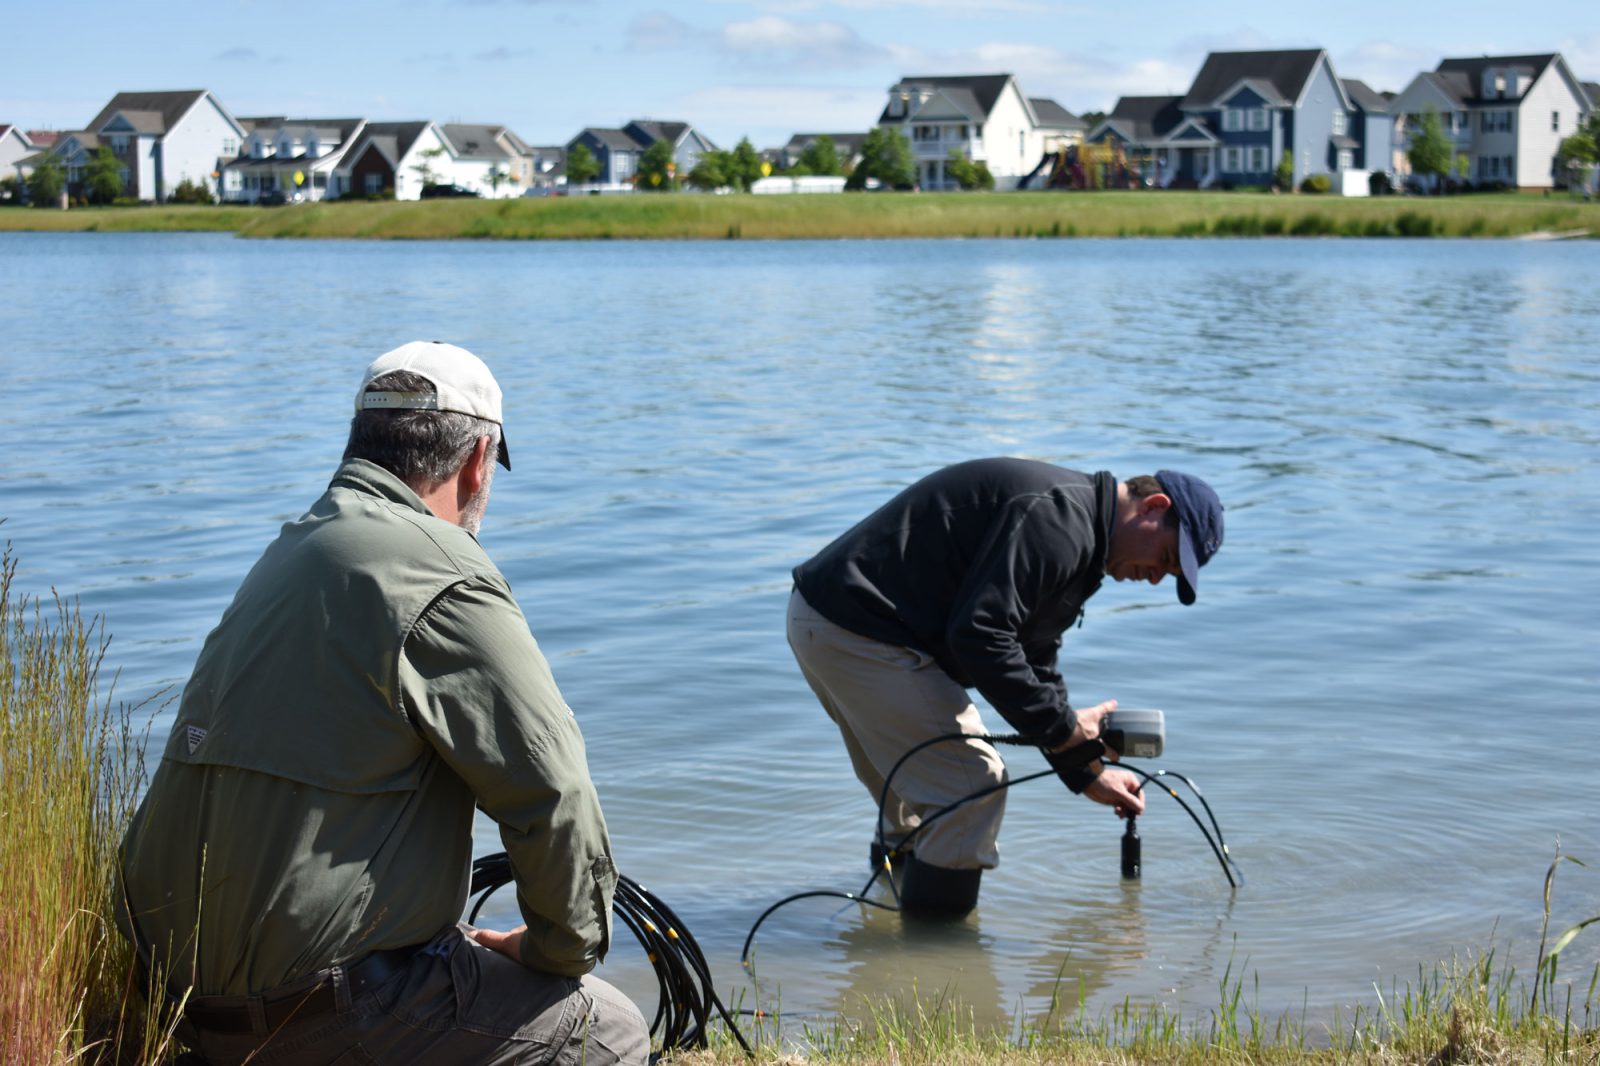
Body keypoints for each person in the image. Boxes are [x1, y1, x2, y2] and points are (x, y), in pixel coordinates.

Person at [117, 341, 649, 1065]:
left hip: (179, 1006)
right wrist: (558, 947)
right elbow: (553, 793)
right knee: (605, 1028)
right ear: (477, 462)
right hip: (317, 1017)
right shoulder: (446, 573)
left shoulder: (293, 550)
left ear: (360, 442)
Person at [787, 458, 1224, 918]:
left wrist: (1085, 770)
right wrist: (1063, 730)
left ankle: (887, 949)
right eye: (1166, 559)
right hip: (858, 631)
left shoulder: (1082, 534)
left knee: (918, 803)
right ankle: (940, 969)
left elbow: (1033, 656)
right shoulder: (1060, 520)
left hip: (831, 622)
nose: (1156, 577)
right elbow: (980, 638)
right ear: (1154, 507)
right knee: (968, 789)